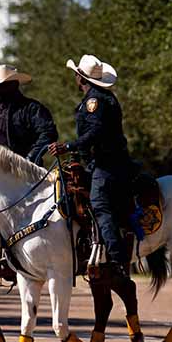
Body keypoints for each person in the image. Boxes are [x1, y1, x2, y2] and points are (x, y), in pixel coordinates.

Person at [47, 54, 131, 282]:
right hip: (102, 162)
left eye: (76, 73)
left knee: (99, 204)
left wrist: (67, 146)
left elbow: (95, 133)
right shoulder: (100, 97)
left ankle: (117, 260)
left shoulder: (95, 101)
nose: (75, 76)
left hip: (107, 164)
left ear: (81, 78)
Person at [0, 64, 58, 165]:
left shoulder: (31, 108)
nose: (0, 88)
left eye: (4, 84)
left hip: (23, 170)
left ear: (15, 84)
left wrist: (30, 157)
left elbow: (49, 132)